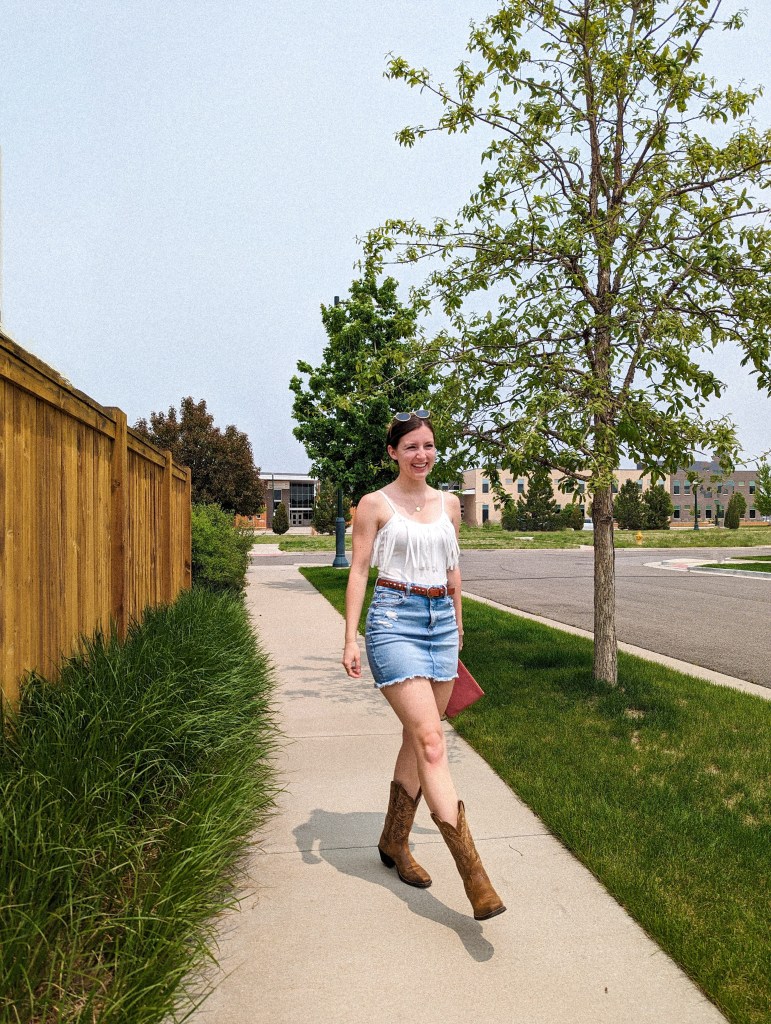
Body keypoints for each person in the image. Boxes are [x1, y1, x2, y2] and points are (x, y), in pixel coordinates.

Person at [342, 410, 505, 921]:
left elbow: (454, 571)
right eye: (410, 446)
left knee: (419, 736)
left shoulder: (450, 505)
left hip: (440, 626)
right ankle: (475, 879)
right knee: (433, 742)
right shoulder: (375, 504)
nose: (421, 455)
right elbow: (361, 568)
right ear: (392, 452)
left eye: (428, 445)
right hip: (393, 620)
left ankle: (394, 841)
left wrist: (457, 627)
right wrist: (351, 635)